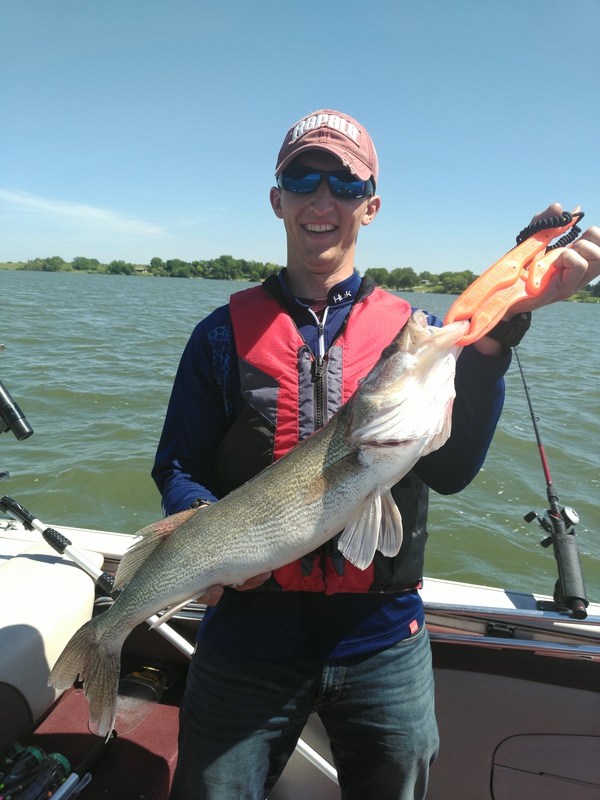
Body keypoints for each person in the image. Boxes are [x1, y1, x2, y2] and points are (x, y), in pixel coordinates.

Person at [153, 109, 600, 800]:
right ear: (277, 199)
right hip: (246, 635)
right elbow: (177, 467)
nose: (322, 199)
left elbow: (450, 473)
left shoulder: (413, 336)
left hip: (383, 640)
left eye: (345, 181)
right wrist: (201, 525)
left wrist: (508, 316)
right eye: (302, 179)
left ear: (372, 203)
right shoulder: (218, 335)